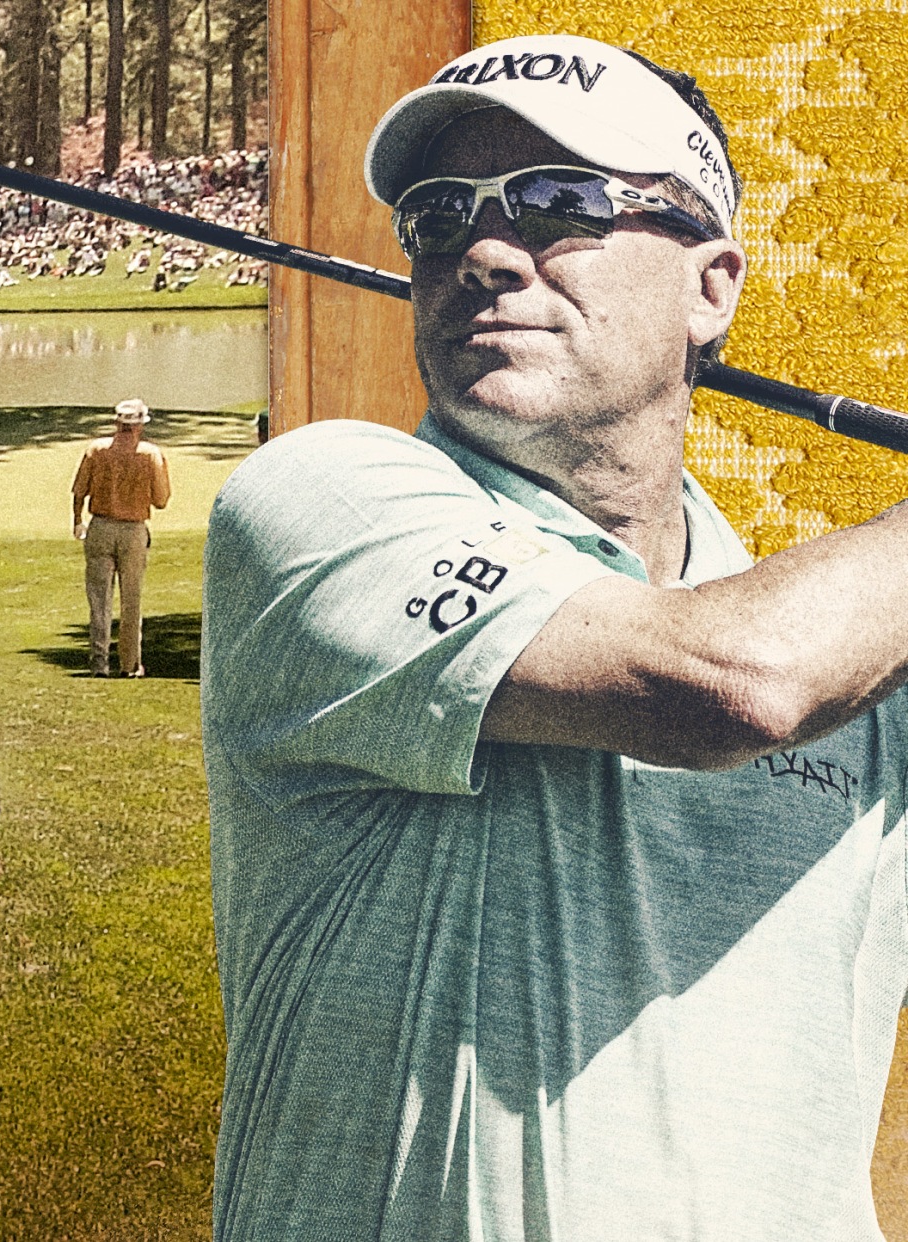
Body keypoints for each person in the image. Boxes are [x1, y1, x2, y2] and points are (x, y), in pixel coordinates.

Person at [203, 32, 908, 1239]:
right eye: (437, 217)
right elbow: (730, 684)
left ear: (711, 285)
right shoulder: (316, 503)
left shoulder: (866, 640)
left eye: (559, 204)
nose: (482, 251)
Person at [71, 398, 171, 677]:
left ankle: (99, 663)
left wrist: (78, 521)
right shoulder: (151, 454)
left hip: (100, 527)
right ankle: (129, 664)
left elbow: (79, 491)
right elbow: (161, 500)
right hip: (133, 531)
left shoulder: (97, 450)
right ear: (139, 426)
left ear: (118, 423)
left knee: (99, 600)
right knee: (132, 599)